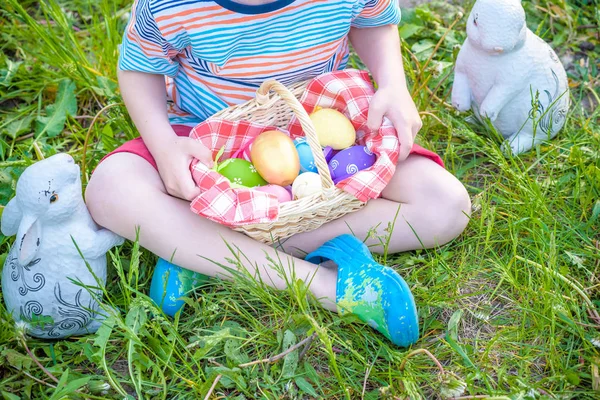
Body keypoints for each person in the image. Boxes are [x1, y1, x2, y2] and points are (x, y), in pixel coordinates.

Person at [85, 0, 471, 346]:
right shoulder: (170, 4)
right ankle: (324, 286)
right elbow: (139, 67)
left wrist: (393, 83)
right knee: (110, 188)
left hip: (323, 135)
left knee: (446, 205)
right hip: (207, 139)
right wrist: (164, 145)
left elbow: (372, 20)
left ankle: (201, 252)